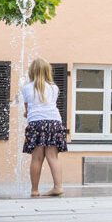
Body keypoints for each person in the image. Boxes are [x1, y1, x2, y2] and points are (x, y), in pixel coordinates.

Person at [21, 60, 68, 197]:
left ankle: (34, 190)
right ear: (48, 71)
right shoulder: (54, 88)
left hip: (36, 124)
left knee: (37, 158)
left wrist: (28, 113)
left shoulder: (26, 88)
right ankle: (58, 187)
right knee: (53, 157)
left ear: (32, 71)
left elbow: (27, 110)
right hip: (54, 122)